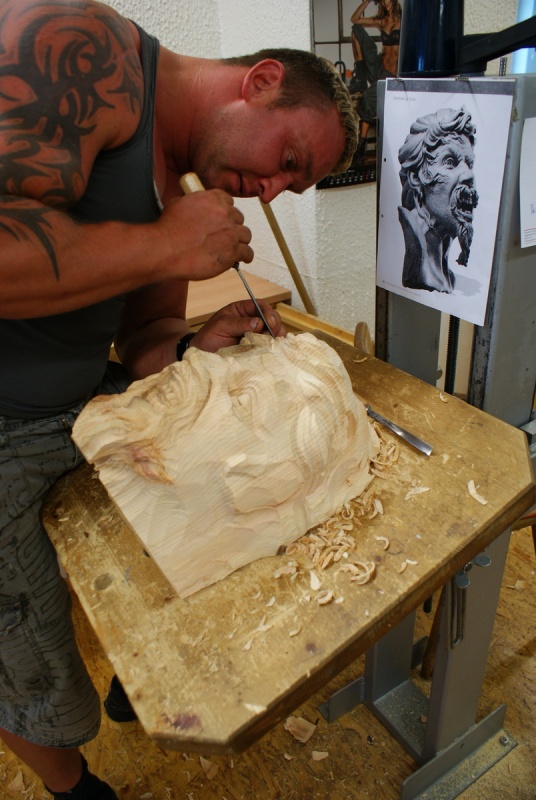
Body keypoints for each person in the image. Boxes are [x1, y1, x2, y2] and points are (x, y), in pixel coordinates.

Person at [0, 1, 358, 798]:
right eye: (287, 160)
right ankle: (72, 788)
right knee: (27, 657)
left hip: (72, 403)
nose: (271, 191)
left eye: (293, 186)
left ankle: (139, 674)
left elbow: (145, 331)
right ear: (260, 83)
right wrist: (167, 243)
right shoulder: (83, 47)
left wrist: (194, 350)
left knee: (213, 511)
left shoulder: (179, 173)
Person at [397, 106, 479, 292]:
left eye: (469, 164)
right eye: (450, 162)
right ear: (416, 177)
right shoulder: (421, 268)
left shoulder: (444, 270)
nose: (469, 175)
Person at [349, 0, 402, 162]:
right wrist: (366, 2)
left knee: (367, 97)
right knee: (356, 30)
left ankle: (361, 145)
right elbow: (354, 19)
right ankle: (360, 76)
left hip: (391, 73)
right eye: (382, 0)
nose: (385, 3)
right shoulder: (381, 21)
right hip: (378, 66)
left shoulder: (403, 21)